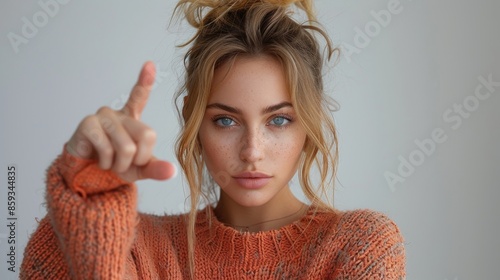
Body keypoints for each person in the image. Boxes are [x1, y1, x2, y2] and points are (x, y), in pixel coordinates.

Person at [20, 0, 406, 279]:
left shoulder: (358, 245)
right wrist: (89, 204)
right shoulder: (133, 247)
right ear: (193, 120)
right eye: (225, 120)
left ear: (309, 123)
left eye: (279, 120)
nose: (252, 151)